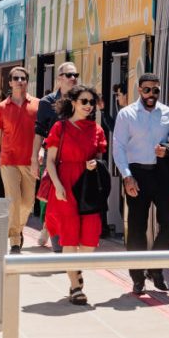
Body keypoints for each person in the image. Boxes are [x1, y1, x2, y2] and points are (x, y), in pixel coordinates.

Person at [112, 73, 169, 294]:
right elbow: (119, 147)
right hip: (137, 174)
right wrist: (126, 176)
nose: (151, 94)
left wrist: (168, 150)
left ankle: (155, 267)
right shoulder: (126, 114)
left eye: (155, 90)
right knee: (136, 227)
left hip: (163, 175)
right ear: (139, 89)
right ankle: (137, 276)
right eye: (147, 90)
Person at [43, 85, 108, 305]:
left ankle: (76, 270)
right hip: (65, 183)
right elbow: (50, 160)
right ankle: (75, 285)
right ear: (73, 103)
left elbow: (100, 159)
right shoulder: (59, 128)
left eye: (91, 102)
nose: (89, 106)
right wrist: (57, 184)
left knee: (89, 238)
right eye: (84, 101)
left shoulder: (97, 130)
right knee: (69, 235)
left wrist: (94, 164)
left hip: (87, 185)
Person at [0, 67, 39, 254]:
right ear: (10, 83)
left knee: (27, 203)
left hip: (30, 162)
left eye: (23, 78)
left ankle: (18, 229)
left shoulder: (37, 105)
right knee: (14, 200)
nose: (19, 81)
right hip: (7, 161)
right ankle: (15, 240)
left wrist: (40, 153)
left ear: (27, 81)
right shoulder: (1, 108)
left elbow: (43, 134)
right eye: (15, 78)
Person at [34, 63, 81, 249]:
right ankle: (54, 237)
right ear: (59, 78)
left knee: (69, 198)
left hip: (75, 158)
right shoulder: (47, 102)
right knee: (52, 196)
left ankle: (52, 229)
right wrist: (34, 154)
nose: (73, 78)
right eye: (69, 74)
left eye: (75, 74)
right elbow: (39, 130)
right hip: (52, 156)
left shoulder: (82, 100)